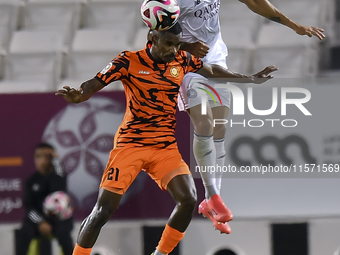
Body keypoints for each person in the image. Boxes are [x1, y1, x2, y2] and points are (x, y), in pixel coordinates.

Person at [55, 23, 277, 255]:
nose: (173, 49)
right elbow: (94, 83)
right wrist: (80, 95)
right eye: (168, 43)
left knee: (188, 199)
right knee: (103, 210)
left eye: (177, 45)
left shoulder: (181, 60)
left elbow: (210, 71)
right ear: (153, 37)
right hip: (131, 145)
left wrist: (249, 78)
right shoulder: (128, 60)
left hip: (164, 147)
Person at [175, 0, 326, 234]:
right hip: (186, 64)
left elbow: (255, 2)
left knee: (220, 128)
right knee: (204, 123)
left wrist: (294, 26)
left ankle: (212, 201)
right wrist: (186, 46)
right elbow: (156, 35)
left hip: (216, 60)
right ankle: (213, 195)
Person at [16, 142, 74, 255]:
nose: (42, 159)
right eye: (38, 156)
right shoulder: (31, 181)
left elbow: (60, 189)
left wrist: (57, 160)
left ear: (52, 160)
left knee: (64, 234)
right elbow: (29, 207)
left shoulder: (58, 177)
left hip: (58, 219)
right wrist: (41, 222)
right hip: (38, 220)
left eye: (47, 156)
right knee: (24, 232)